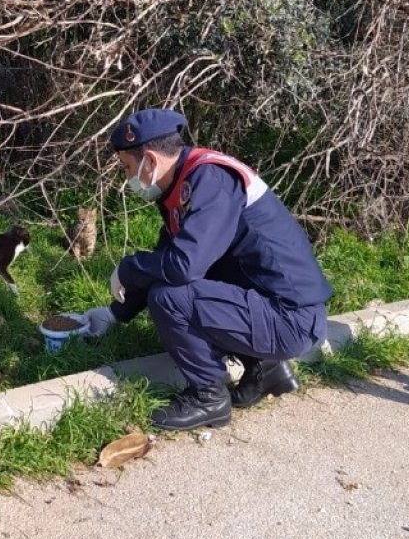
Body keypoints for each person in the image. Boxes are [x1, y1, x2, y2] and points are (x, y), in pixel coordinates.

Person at [71, 108, 333, 431]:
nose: (127, 180)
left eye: (127, 168)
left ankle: (208, 396)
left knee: (169, 298)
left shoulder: (211, 182)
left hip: (291, 320)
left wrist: (128, 268)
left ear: (150, 161)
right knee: (177, 281)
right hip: (278, 309)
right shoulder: (188, 180)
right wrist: (114, 314)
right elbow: (167, 258)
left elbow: (182, 266)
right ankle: (267, 370)